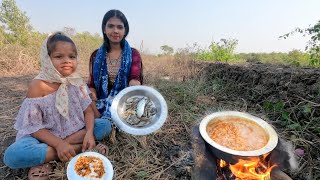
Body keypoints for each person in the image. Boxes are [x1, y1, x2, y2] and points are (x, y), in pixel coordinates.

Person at [3, 32, 110, 180]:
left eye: (72, 57)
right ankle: (77, 149)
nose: (67, 61)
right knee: (12, 156)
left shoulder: (77, 82)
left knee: (105, 125)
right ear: (47, 59)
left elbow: (88, 112)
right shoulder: (38, 85)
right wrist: (59, 144)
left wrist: (89, 133)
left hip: (75, 130)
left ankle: (52, 155)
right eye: (59, 56)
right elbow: (34, 128)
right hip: (43, 138)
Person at [88, 9, 143, 123]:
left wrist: (134, 83)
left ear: (125, 30)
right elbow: (92, 84)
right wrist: (92, 102)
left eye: (119, 27)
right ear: (104, 29)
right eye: (111, 26)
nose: (115, 31)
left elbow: (134, 78)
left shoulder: (133, 54)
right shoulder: (95, 55)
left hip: (123, 103)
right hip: (99, 102)